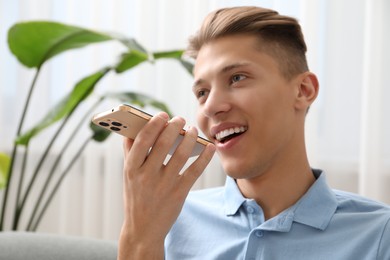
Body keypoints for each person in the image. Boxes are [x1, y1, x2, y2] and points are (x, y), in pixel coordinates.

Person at [117, 6, 390, 260]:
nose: (210, 107)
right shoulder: (166, 219)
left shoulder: (378, 233)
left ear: (303, 91)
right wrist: (140, 239)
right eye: (202, 92)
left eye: (237, 78)